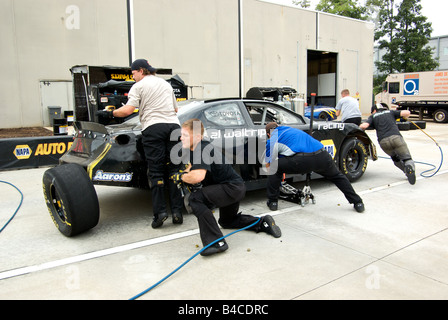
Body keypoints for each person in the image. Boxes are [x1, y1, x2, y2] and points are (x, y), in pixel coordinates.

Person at [172, 119, 281, 256]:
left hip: (230, 188)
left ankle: (216, 242)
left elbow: (198, 176)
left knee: (194, 199)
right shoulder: (199, 148)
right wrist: (184, 173)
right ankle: (262, 223)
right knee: (227, 221)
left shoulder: (201, 148)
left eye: (185, 135)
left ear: (198, 137)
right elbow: (193, 169)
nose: (181, 138)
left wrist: (181, 177)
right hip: (234, 187)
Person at [96, 59, 184, 228]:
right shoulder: (165, 84)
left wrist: (109, 113)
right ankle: (177, 213)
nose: (133, 76)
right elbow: (175, 110)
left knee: (156, 172)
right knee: (174, 170)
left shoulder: (139, 86)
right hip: (174, 127)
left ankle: (160, 214)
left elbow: (128, 110)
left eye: (133, 73)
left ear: (141, 70)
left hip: (154, 128)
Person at [264, 122, 365, 213]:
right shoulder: (291, 129)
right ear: (278, 126)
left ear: (268, 134)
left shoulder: (272, 140)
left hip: (302, 161)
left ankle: (273, 202)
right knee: (337, 177)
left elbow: (269, 164)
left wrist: (275, 178)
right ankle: (358, 202)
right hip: (322, 155)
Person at [360, 104, 416, 184]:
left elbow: (364, 126)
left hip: (383, 142)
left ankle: (405, 171)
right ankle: (409, 168)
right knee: (407, 158)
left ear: (374, 110)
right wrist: (404, 117)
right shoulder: (390, 112)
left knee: (395, 158)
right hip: (396, 138)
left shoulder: (373, 116)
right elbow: (407, 112)